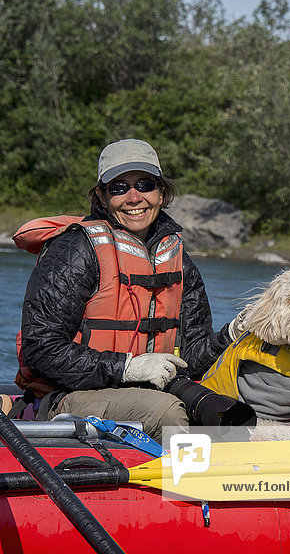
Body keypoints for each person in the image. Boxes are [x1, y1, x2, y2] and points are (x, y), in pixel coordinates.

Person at [14, 139, 232, 441]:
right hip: (70, 394)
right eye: (119, 187)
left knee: (225, 405)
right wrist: (127, 368)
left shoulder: (179, 262)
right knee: (168, 412)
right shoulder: (75, 250)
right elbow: (40, 349)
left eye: (145, 184)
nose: (134, 197)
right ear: (102, 197)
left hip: (149, 391)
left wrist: (232, 334)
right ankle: (173, 485)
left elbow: (191, 357)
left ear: (161, 192)